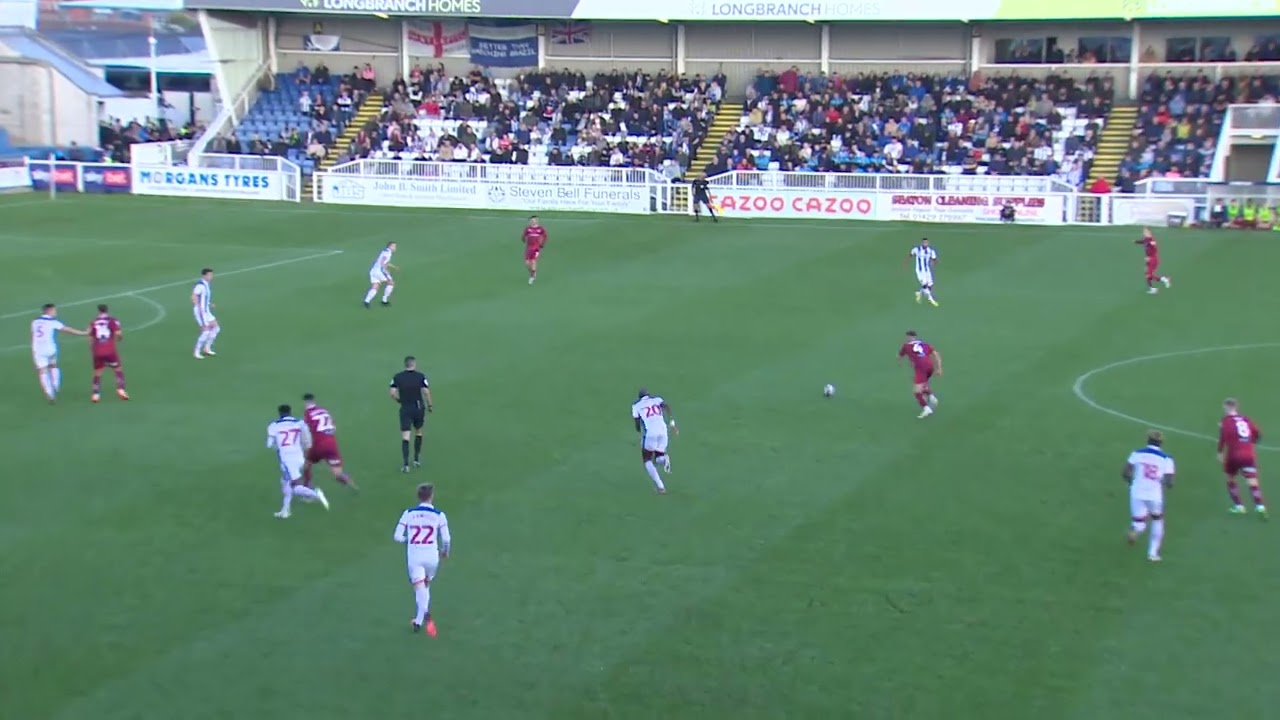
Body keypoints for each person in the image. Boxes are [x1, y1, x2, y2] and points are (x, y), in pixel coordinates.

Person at [393, 483, 450, 638]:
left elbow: (397, 536)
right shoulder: (439, 515)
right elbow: (446, 539)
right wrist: (445, 552)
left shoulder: (409, 513)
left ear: (418, 496)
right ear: (431, 496)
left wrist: (409, 540)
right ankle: (418, 621)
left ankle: (426, 614)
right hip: (432, 556)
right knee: (425, 586)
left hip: (415, 556)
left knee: (419, 587)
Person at [266, 404, 327, 519]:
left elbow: (269, 444)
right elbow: (307, 440)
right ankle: (285, 511)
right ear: (290, 412)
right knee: (285, 483)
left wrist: (277, 445)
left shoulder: (273, 426)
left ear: (279, 413)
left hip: (287, 460)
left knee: (294, 486)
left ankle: (315, 494)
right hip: (299, 457)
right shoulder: (299, 422)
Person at [1123, 430, 1175, 562]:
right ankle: (1153, 553)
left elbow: (1125, 472)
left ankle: (1134, 531)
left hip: (1137, 491)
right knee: (1157, 519)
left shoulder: (1137, 453)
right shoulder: (1166, 458)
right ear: (1161, 443)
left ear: (1147, 440)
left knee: (1139, 522)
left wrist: (1131, 482)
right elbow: (1169, 482)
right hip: (1154, 494)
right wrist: (1163, 482)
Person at [30, 302, 87, 403]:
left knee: (42, 371)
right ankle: (55, 385)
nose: (55, 312)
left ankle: (49, 393)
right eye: (54, 310)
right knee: (53, 365)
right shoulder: (53, 322)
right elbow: (67, 329)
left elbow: (33, 335)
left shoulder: (34, 322)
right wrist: (83, 333)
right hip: (50, 348)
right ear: (50, 311)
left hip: (38, 349)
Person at [1219, 398, 1266, 517]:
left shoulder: (1226, 421)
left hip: (1234, 454)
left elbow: (1223, 438)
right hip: (1248, 454)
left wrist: (1220, 452)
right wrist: (1251, 442)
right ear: (1236, 407)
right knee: (1252, 480)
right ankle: (1260, 506)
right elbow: (1258, 433)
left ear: (1226, 407)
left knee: (1230, 478)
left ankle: (1239, 506)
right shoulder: (1246, 419)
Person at [301, 393, 355, 489]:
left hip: (319, 444)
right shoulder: (324, 410)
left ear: (305, 402)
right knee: (338, 474)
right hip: (331, 443)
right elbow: (333, 427)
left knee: (307, 463)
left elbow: (306, 430)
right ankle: (351, 484)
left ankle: (307, 487)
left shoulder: (308, 413)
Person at [390, 355, 433, 472]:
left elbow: (392, 393)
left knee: (405, 436)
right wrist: (430, 405)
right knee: (418, 431)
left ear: (405, 364)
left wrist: (399, 400)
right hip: (418, 407)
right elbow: (426, 392)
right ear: (414, 364)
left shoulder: (397, 377)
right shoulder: (420, 376)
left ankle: (405, 465)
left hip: (405, 408)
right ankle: (416, 459)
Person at [631, 388, 678, 494]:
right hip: (663, 431)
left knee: (647, 459)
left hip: (651, 433)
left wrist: (639, 432)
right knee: (658, 457)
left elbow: (637, 424)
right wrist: (672, 423)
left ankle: (661, 486)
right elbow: (667, 407)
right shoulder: (657, 400)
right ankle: (664, 459)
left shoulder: (636, 406)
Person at [88, 303, 128, 403]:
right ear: (107, 310)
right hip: (109, 350)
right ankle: (121, 389)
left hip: (97, 351)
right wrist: (119, 339)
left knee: (98, 372)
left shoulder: (93, 322)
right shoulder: (113, 320)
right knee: (118, 369)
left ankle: (95, 394)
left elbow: (90, 337)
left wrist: (92, 350)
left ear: (98, 311)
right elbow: (118, 334)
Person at [897, 330, 941, 418]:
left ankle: (926, 409)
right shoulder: (924, 344)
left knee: (917, 391)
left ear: (909, 337)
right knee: (923, 384)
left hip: (921, 368)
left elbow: (899, 356)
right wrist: (939, 368)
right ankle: (932, 397)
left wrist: (900, 362)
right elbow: (936, 354)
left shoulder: (906, 346)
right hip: (930, 367)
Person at [192, 268, 219, 359]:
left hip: (206, 310)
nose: (211, 277)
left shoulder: (207, 284)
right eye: (209, 275)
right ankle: (196, 352)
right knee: (206, 331)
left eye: (211, 275)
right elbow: (194, 296)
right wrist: (199, 307)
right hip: (201, 311)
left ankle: (207, 348)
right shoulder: (200, 285)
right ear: (204, 275)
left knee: (216, 327)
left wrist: (209, 304)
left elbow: (203, 298)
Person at [1135, 228, 1170, 294]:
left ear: (1149, 232)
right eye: (1143, 231)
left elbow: (1154, 248)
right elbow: (1143, 242)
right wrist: (1136, 241)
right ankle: (1155, 286)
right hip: (1149, 259)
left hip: (1153, 260)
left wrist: (1150, 256)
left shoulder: (1151, 240)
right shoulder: (1146, 239)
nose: (1144, 233)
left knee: (1149, 275)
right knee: (1147, 275)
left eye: (1145, 231)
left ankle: (1161, 282)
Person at [364, 242, 398, 308]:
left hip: (373, 270)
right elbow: (382, 262)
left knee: (375, 286)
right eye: (394, 246)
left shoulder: (384, 251)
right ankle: (384, 300)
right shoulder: (388, 253)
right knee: (391, 283)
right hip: (379, 271)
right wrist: (386, 270)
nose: (395, 248)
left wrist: (394, 267)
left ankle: (366, 301)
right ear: (389, 246)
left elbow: (385, 262)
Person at [906, 239, 939, 306]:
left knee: (930, 285)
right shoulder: (916, 249)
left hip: (927, 270)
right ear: (922, 243)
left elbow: (934, 259)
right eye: (924, 242)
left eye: (926, 242)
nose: (925, 244)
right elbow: (910, 255)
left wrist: (934, 263)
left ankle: (919, 293)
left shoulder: (930, 251)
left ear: (928, 243)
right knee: (925, 285)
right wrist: (905, 263)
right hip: (920, 271)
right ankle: (931, 299)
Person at [522, 216, 546, 285]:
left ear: (537, 221)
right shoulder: (528, 229)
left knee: (533, 261)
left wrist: (542, 244)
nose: (533, 221)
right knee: (527, 263)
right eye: (531, 220)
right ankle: (532, 272)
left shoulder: (540, 229)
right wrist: (523, 239)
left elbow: (545, 236)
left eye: (534, 220)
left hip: (536, 248)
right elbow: (524, 235)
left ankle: (532, 277)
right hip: (529, 248)